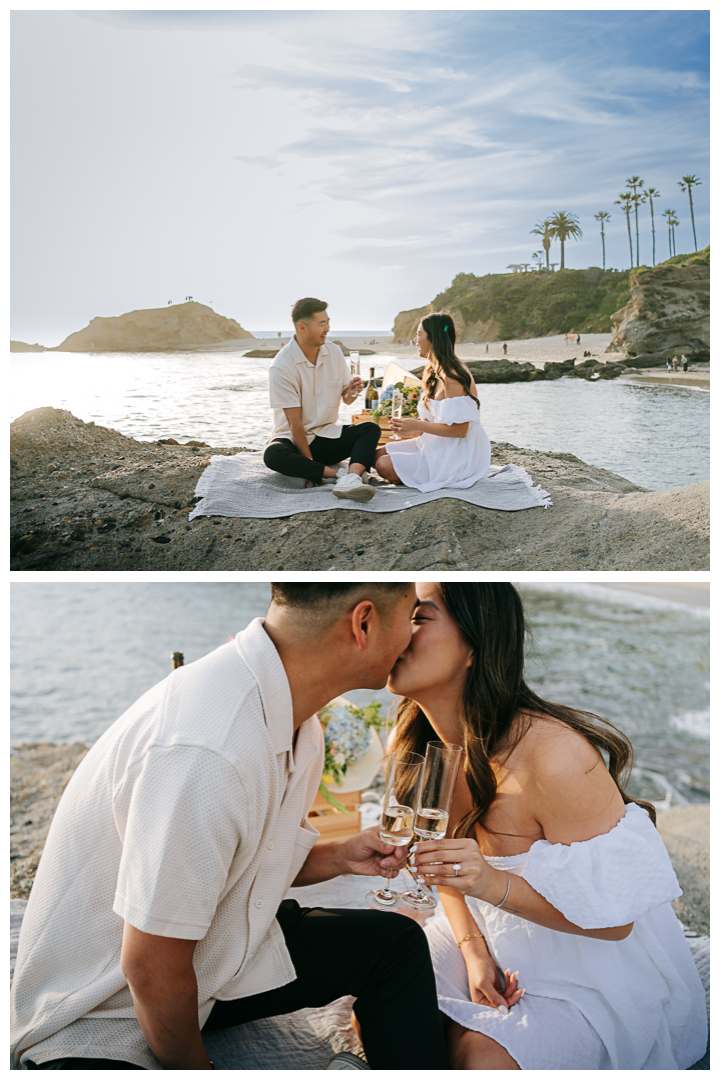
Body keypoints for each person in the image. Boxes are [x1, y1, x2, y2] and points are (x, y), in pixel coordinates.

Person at [11, 583, 450, 1071]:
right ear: (363, 623)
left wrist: (339, 856)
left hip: (217, 953)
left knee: (394, 944)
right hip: (105, 1005)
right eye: (410, 618)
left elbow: (243, 857)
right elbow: (150, 968)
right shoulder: (208, 750)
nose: (411, 637)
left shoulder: (294, 714)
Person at [387, 583, 707, 1070]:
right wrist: (473, 949)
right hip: (486, 933)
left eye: (419, 618)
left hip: (589, 971)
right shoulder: (412, 740)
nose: (396, 632)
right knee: (379, 992)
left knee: (480, 1059)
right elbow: (440, 861)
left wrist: (491, 882)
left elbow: (615, 921)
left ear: (476, 644)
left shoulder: (556, 757)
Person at [263, 298, 380, 503]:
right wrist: (308, 465)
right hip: (293, 439)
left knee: (369, 428)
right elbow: (294, 423)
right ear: (302, 327)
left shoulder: (334, 352)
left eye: (327, 322)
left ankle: (351, 479)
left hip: (326, 436)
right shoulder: (282, 366)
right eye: (321, 324)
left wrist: (351, 391)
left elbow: (346, 399)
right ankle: (340, 475)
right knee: (272, 455)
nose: (327, 328)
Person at [373, 313, 491, 492]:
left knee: (383, 465)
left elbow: (460, 430)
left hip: (456, 454)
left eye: (419, 334)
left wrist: (418, 425)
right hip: (436, 444)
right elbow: (435, 420)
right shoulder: (431, 370)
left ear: (433, 338)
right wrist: (413, 432)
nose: (415, 340)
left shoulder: (454, 376)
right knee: (375, 454)